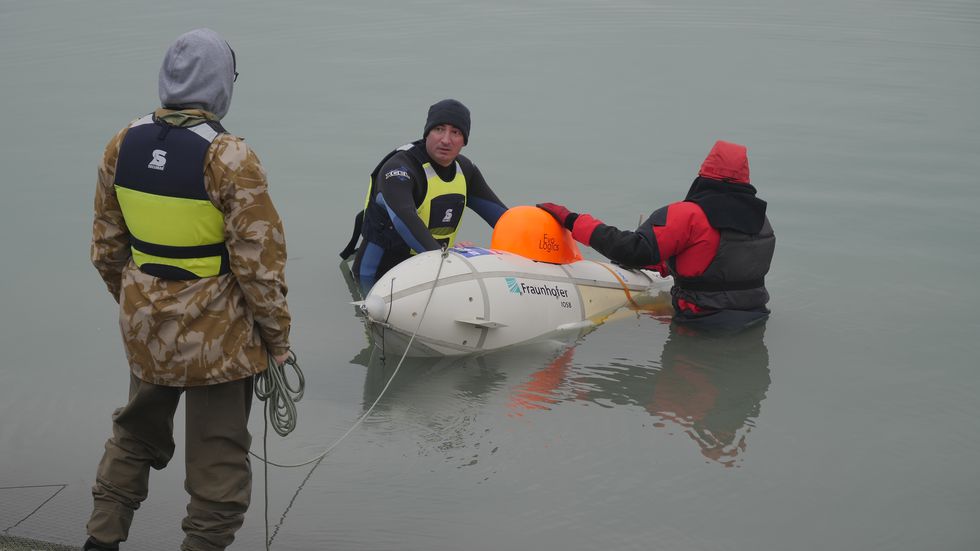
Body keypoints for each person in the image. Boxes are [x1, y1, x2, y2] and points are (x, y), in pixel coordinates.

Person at [86, 29, 291, 551]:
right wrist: (278, 342)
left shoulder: (122, 143)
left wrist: (141, 303)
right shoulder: (230, 157)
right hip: (219, 342)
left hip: (146, 328)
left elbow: (107, 249)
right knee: (218, 464)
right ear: (220, 83)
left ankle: (101, 541)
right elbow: (260, 266)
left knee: (132, 436)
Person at [538, 140, 774, 330]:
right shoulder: (762, 221)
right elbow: (717, 260)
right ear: (745, 179)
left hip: (701, 326)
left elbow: (632, 250)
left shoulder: (688, 215)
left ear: (704, 174)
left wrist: (572, 220)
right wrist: (665, 264)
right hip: (754, 320)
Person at [340, 99, 508, 292]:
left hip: (430, 271)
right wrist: (452, 257)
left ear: (464, 140)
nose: (446, 140)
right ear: (427, 133)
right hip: (375, 279)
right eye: (439, 129)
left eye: (455, 132)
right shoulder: (399, 169)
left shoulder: (465, 171)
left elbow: (505, 221)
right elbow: (407, 222)